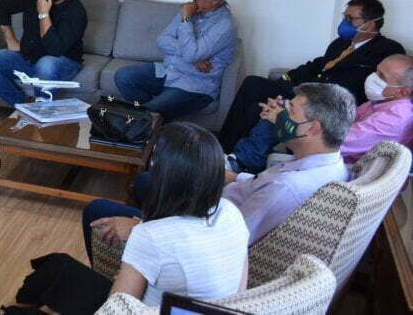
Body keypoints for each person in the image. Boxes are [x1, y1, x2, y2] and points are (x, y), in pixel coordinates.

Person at [83, 82, 356, 260]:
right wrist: (232, 177)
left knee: (98, 210)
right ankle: (151, 226)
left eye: (290, 111)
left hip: (204, 224)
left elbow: (223, 241)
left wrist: (139, 229)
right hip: (221, 202)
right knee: (147, 181)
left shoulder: (286, 189)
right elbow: (259, 187)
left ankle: (132, 269)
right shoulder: (329, 163)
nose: (281, 114)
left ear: (313, 128)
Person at [0, 123, 248, 315]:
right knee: (58, 272)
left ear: (166, 177)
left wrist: (122, 279)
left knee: (57, 268)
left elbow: (114, 311)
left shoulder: (152, 237)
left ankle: (15, 309)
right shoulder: (230, 213)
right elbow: (240, 293)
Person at [219, 0, 404, 150]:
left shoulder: (387, 50)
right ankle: (227, 149)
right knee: (254, 94)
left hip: (329, 100)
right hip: (307, 89)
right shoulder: (340, 43)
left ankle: (231, 151)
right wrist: (286, 78)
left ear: (370, 24)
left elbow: (372, 84)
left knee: (255, 96)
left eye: (351, 19)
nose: (344, 23)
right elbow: (318, 64)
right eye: (344, 17)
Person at [226, 54, 413, 172]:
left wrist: (285, 118)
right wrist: (289, 110)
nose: (373, 77)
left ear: (403, 91)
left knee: (280, 114)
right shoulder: (383, 101)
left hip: (333, 161)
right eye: (376, 71)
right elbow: (343, 120)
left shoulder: (396, 118)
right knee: (282, 107)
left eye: (382, 76)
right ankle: (242, 160)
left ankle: (241, 162)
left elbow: (337, 141)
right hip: (326, 142)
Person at [113, 0, 237, 120]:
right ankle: (152, 119)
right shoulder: (190, 10)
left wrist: (186, 20)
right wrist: (193, 57)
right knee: (123, 76)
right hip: (168, 72)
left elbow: (191, 54)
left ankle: (150, 118)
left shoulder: (224, 26)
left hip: (194, 85)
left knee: (150, 112)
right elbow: (162, 39)